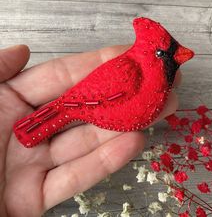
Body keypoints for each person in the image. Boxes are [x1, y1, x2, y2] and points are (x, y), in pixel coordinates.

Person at [0, 45, 179, 217]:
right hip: (85, 105)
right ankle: (31, 129)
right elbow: (94, 95)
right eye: (162, 54)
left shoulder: (155, 81)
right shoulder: (129, 69)